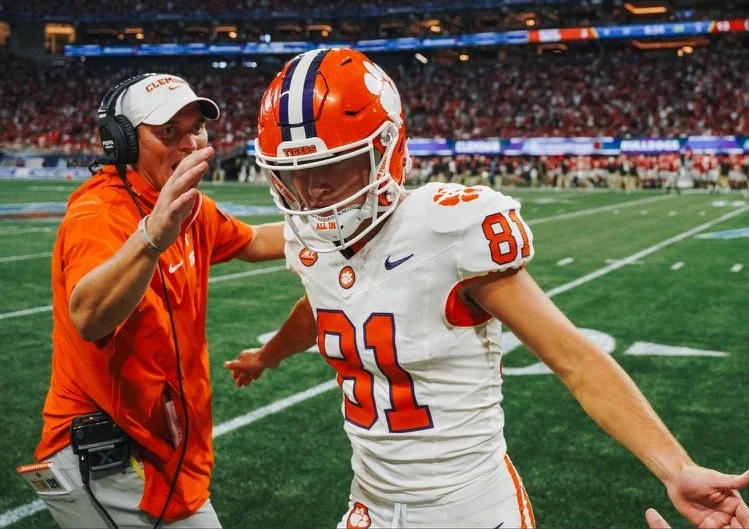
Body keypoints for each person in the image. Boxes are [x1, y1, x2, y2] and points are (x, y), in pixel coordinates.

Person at [224, 48, 749, 528]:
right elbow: (320, 305)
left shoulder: (446, 231)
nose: (312, 193)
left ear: (387, 149)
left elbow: (577, 361)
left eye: (332, 167)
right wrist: (267, 356)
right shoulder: (309, 238)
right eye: (296, 174)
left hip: (470, 508)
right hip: (369, 504)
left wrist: (675, 467)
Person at [33, 73, 286, 527]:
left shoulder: (190, 208)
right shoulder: (100, 212)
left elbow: (258, 240)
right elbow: (88, 317)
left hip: (157, 447)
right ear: (124, 143)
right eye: (168, 131)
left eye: (195, 129)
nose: (189, 143)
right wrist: (151, 238)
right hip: (108, 453)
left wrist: (342, 225)